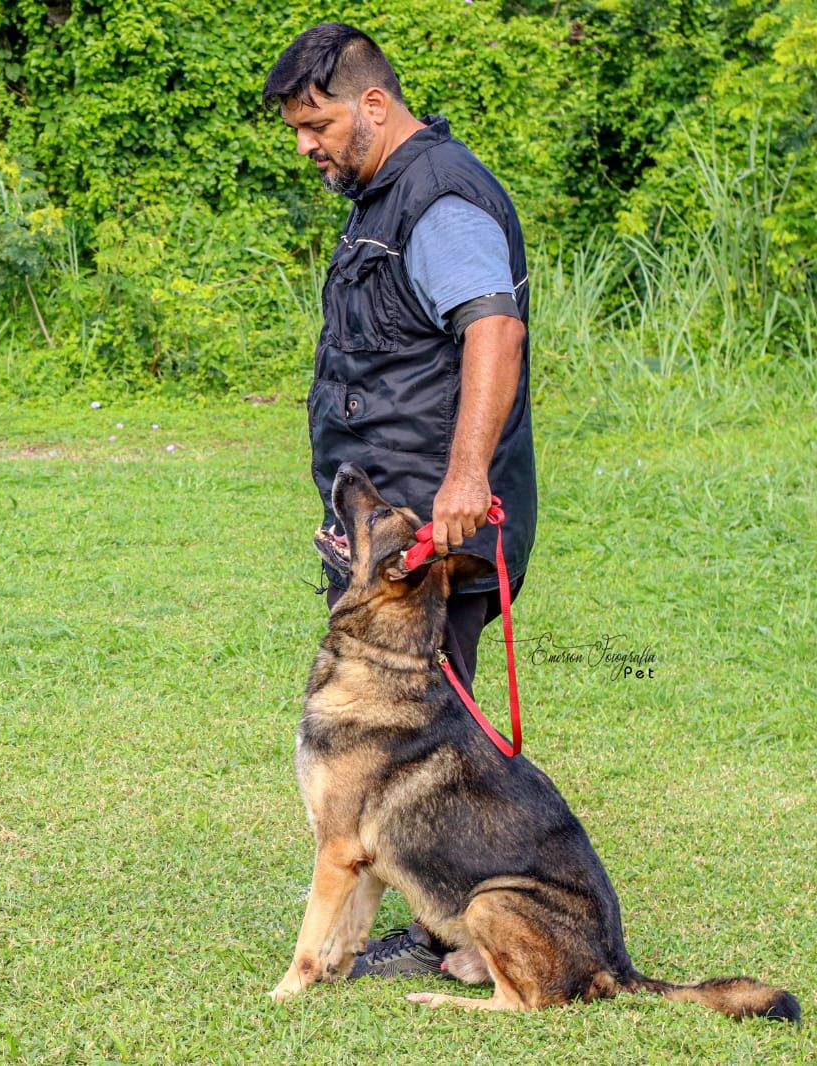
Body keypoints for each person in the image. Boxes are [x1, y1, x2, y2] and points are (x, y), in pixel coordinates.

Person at [262, 23, 537, 980]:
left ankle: (448, 938)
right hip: (389, 530)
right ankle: (411, 930)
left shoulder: (441, 199)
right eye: (299, 130)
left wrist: (466, 478)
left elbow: (493, 331)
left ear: (373, 104)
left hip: (432, 535)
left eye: (318, 125)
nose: (307, 146)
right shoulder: (380, 194)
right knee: (401, 751)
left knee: (423, 753)